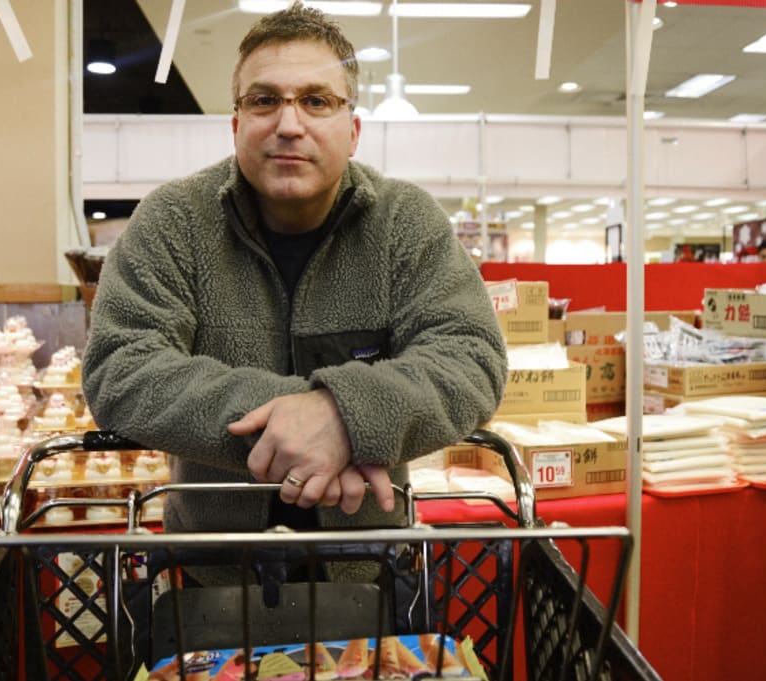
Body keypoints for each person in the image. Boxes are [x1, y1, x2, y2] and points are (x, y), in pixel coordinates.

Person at [82, 3, 507, 563]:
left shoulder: (406, 222)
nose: (288, 124)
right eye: (264, 100)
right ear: (236, 126)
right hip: (211, 570)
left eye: (315, 100)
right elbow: (121, 367)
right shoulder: (173, 221)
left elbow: (471, 359)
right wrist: (315, 422)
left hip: (369, 562)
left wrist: (343, 417)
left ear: (352, 130)